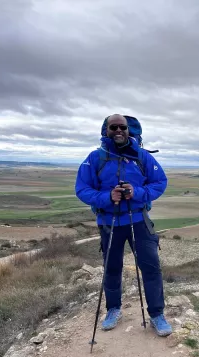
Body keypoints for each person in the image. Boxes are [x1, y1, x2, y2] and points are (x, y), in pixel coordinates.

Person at [74, 114, 172, 336]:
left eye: (123, 127)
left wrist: (135, 192)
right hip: (110, 222)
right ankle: (113, 310)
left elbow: (160, 182)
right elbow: (82, 189)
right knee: (112, 268)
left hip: (138, 220)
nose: (118, 130)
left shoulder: (142, 157)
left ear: (129, 131)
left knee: (151, 268)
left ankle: (157, 314)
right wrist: (108, 196)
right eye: (113, 127)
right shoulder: (95, 158)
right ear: (105, 131)